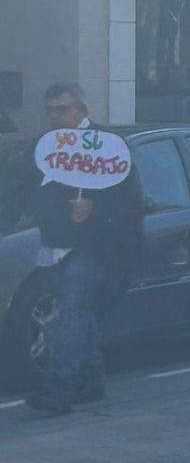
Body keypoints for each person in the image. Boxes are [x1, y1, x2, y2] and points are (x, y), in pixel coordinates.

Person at [22, 82, 144, 415]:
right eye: (50, 110)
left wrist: (95, 208)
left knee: (71, 314)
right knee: (78, 313)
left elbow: (131, 201)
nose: (55, 116)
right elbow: (24, 188)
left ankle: (60, 388)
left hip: (93, 245)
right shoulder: (44, 146)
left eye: (62, 109)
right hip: (54, 242)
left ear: (82, 110)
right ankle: (91, 382)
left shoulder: (109, 147)